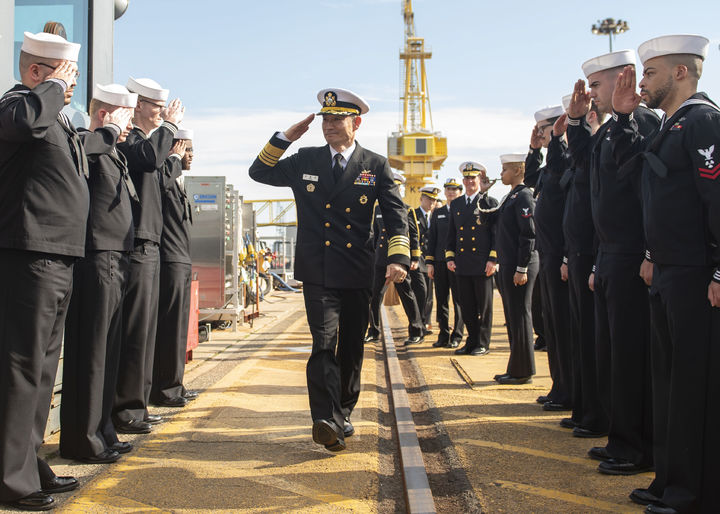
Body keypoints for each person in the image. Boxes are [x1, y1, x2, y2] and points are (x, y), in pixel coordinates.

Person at [249, 88, 410, 452]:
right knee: (323, 343)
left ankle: (344, 411)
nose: (329, 125)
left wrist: (398, 258)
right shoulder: (305, 158)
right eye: (325, 118)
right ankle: (325, 418)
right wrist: (286, 137)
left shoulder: (375, 164)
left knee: (352, 345)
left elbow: (396, 214)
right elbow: (258, 171)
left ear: (357, 122)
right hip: (318, 269)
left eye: (338, 119)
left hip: (357, 270)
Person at [610, 34, 720, 514]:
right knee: (671, 385)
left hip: (698, 273)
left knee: (695, 387)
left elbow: (715, 201)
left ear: (681, 72)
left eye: (650, 73)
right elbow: (629, 179)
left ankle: (693, 495)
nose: (643, 82)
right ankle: (670, 481)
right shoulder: (669, 125)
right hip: (669, 270)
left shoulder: (704, 122)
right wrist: (622, 116)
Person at [0, 31, 85, 511]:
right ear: (36, 73)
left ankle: (29, 463)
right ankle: (11, 479)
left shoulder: (48, 111)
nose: (70, 86)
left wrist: (53, 93)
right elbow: (25, 123)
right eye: (64, 77)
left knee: (42, 370)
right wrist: (50, 90)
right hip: (28, 254)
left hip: (57, 255)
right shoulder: (16, 105)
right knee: (21, 369)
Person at [567, 50, 659, 476]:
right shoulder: (604, 132)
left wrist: (647, 252)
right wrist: (574, 121)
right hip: (607, 256)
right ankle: (620, 438)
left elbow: (638, 182)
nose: (593, 96)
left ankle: (636, 446)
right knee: (610, 356)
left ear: (622, 81)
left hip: (630, 255)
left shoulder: (639, 123)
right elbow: (580, 163)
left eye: (597, 87)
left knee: (629, 357)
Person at [60, 84, 137, 466]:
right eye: (124, 116)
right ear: (107, 114)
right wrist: (105, 133)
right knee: (90, 351)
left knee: (107, 349)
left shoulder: (112, 149)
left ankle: (102, 427)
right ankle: (82, 437)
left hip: (116, 257)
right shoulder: (85, 140)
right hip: (96, 255)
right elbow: (85, 153)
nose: (128, 125)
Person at [114, 78, 184, 433]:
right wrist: (169, 129)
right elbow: (150, 159)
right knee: (135, 330)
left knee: (146, 330)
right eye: (156, 106)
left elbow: (163, 171)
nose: (161, 112)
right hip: (138, 242)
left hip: (152, 241)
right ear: (138, 105)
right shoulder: (131, 140)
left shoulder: (150, 143)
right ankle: (126, 409)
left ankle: (136, 406)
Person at [555, 96, 609, 439]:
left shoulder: (601, 148)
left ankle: (595, 414)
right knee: (580, 339)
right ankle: (585, 409)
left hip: (595, 257)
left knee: (594, 342)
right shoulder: (583, 156)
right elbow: (555, 179)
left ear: (589, 116)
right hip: (577, 257)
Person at [526, 105, 573, 411]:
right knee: (553, 327)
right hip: (548, 256)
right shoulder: (548, 167)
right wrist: (533, 150)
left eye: (544, 129)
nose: (541, 134)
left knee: (566, 329)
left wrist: (568, 255)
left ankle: (570, 390)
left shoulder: (569, 160)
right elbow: (531, 177)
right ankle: (559, 386)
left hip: (563, 256)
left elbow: (576, 211)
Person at [151, 128, 200, 407]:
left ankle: (175, 385)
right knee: (168, 328)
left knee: (179, 327)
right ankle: (165, 388)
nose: (191, 155)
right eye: (187, 149)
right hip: (169, 260)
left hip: (180, 260)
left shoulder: (179, 182)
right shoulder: (165, 177)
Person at [489, 154, 538, 384]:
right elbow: (488, 219)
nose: (501, 174)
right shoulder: (511, 196)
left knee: (520, 316)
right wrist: (483, 192)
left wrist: (522, 267)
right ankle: (516, 367)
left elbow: (528, 234)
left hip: (519, 265)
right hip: (509, 264)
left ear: (518, 170)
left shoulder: (524, 196)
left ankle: (523, 370)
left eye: (504, 169)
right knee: (513, 315)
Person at [366, 172, 425, 346]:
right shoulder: (377, 209)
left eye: (397, 186)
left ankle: (416, 331)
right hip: (380, 259)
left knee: (407, 295)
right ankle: (373, 331)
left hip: (399, 259)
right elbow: (376, 235)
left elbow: (414, 236)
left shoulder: (407, 209)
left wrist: (414, 258)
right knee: (374, 296)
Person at [445, 162, 498, 356]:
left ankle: (482, 343)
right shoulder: (457, 204)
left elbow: (496, 234)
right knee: (466, 306)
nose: (469, 182)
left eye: (472, 178)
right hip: (462, 262)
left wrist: (493, 259)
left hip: (483, 263)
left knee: (484, 307)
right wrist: (450, 256)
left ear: (479, 180)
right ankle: (472, 340)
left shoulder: (488, 203)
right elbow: (452, 233)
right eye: (466, 178)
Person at [426, 178, 465, 348]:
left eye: (454, 189)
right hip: (440, 262)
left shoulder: (463, 211)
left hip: (457, 263)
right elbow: (431, 239)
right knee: (441, 299)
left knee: (458, 300)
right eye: (448, 189)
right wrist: (430, 263)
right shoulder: (438, 212)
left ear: (460, 192)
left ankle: (457, 335)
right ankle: (443, 334)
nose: (451, 192)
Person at [411, 185, 439, 333]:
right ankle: (416, 323)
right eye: (429, 199)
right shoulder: (413, 214)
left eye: (434, 200)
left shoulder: (436, 217)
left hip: (430, 260)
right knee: (418, 293)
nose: (432, 203)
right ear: (421, 198)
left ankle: (425, 323)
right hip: (417, 260)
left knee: (429, 294)